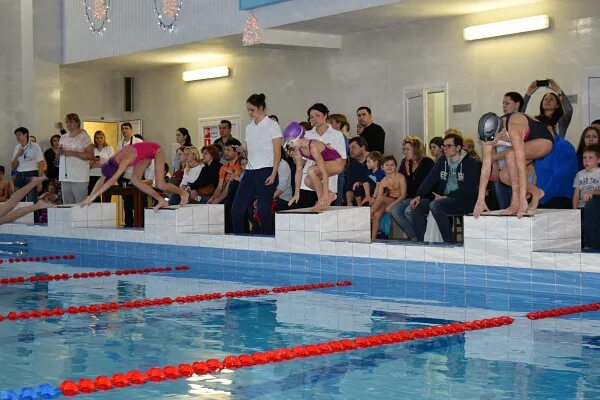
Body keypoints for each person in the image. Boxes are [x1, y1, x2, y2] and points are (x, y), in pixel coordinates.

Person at [474, 112, 553, 218]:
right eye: (487, 141)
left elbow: (521, 167)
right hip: (524, 144)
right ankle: (536, 192)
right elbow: (485, 168)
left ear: (500, 131)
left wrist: (522, 199)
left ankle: (515, 202)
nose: (489, 143)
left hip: (543, 141)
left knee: (510, 154)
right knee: (505, 176)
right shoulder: (486, 137)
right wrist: (480, 199)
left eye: (492, 140)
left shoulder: (513, 128)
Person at [407, 133, 481, 242]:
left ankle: (449, 242)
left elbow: (468, 189)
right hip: (443, 199)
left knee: (436, 205)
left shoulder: (471, 163)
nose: (444, 149)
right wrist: (418, 196)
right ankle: (422, 242)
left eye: (448, 146)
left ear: (458, 147)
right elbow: (430, 179)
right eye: (443, 146)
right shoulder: (442, 161)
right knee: (416, 206)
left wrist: (446, 197)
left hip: (464, 201)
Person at [83, 142, 188, 210]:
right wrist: (90, 196)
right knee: (135, 180)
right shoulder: (112, 161)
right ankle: (161, 200)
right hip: (143, 154)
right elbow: (102, 179)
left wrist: (94, 196)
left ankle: (183, 193)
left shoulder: (124, 161)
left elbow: (112, 180)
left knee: (160, 184)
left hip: (156, 150)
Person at [231, 94, 281, 234]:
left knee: (264, 211)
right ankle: (239, 241)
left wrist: (273, 173)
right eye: (248, 110)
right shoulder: (249, 128)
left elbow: (277, 152)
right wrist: (243, 152)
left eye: (252, 109)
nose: (250, 113)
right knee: (236, 210)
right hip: (250, 172)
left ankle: (270, 241)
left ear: (261, 108)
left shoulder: (272, 125)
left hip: (267, 171)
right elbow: (251, 153)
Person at [285, 122, 345, 211]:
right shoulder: (298, 149)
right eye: (288, 141)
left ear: (299, 138)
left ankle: (322, 201)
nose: (290, 145)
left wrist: (323, 197)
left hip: (337, 163)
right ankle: (330, 194)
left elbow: (324, 173)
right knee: (307, 180)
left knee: (311, 170)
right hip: (328, 164)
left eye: (291, 141)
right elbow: (298, 170)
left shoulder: (313, 146)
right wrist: (297, 193)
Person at [391, 136, 435, 240]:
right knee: (395, 210)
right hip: (411, 197)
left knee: (410, 209)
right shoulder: (406, 162)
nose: (405, 152)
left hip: (425, 196)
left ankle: (423, 237)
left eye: (407, 149)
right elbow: (400, 181)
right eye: (404, 149)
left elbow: (430, 183)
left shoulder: (427, 162)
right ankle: (414, 236)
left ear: (415, 149)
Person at [491, 92, 525, 209]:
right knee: (503, 208)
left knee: (517, 207)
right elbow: (491, 146)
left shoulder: (523, 122)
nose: (504, 106)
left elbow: (516, 149)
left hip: (516, 171)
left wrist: (494, 158)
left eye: (507, 103)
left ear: (517, 105)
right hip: (500, 170)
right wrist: (495, 168)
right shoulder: (498, 123)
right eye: (503, 103)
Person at [11, 127, 45, 221]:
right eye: (16, 135)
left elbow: (40, 164)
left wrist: (39, 181)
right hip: (19, 174)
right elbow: (13, 165)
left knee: (32, 201)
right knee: (18, 200)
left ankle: (36, 223)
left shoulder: (35, 146)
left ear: (26, 134)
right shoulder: (17, 147)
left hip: (31, 174)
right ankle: (21, 221)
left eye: (19, 134)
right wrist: (18, 154)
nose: (17, 137)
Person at [58, 113, 93, 204]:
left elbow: (90, 156)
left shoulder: (84, 137)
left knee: (80, 206)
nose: (68, 124)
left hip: (79, 177)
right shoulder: (63, 137)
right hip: (65, 176)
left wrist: (71, 153)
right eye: (67, 122)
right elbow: (58, 156)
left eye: (71, 122)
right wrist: (59, 152)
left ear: (78, 123)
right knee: (67, 205)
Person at [370, 156, 406, 240]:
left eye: (392, 165)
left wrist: (390, 206)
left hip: (399, 200)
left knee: (381, 199)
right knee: (377, 214)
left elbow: (403, 195)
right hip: (388, 199)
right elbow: (379, 198)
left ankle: (367, 214)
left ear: (396, 167)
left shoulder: (400, 177)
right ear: (382, 167)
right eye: (387, 165)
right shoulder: (383, 181)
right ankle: (373, 239)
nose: (389, 167)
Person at [573, 145, 600, 249]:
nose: (586, 161)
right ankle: (583, 246)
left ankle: (591, 245)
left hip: (594, 209)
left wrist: (592, 192)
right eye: (584, 158)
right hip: (581, 207)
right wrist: (574, 210)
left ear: (598, 160)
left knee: (591, 227)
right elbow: (576, 194)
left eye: (590, 158)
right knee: (581, 228)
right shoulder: (580, 174)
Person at [117, 122, 143, 227]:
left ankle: (140, 223)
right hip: (124, 176)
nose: (124, 131)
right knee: (126, 202)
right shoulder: (120, 144)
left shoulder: (138, 141)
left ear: (132, 130)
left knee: (138, 201)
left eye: (126, 128)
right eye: (122, 129)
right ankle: (128, 223)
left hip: (136, 175)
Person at [88, 130, 114, 199]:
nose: (99, 140)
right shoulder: (92, 149)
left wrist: (96, 165)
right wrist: (101, 164)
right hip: (93, 175)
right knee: (94, 198)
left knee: (107, 197)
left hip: (105, 176)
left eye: (101, 137)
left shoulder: (109, 148)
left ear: (104, 138)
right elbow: (89, 164)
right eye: (97, 138)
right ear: (95, 139)